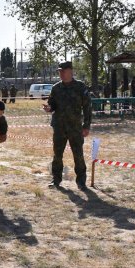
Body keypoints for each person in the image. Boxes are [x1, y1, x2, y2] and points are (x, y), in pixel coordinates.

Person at [43, 61, 92, 190]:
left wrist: (86, 126)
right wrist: (49, 108)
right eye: (59, 71)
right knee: (57, 155)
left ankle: (81, 182)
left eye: (63, 71)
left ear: (71, 71)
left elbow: (87, 107)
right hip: (59, 127)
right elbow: (52, 104)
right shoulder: (56, 88)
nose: (61, 74)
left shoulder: (80, 87)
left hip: (75, 127)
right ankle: (56, 179)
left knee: (78, 155)